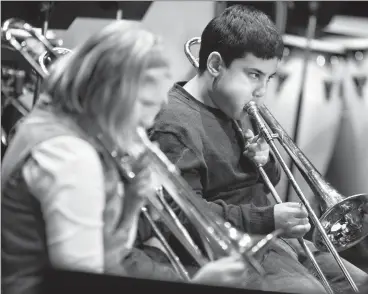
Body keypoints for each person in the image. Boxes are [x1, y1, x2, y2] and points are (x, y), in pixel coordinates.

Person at [1, 21, 255, 294]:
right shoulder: (71, 156)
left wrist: (131, 202)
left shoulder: (56, 121)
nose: (149, 121)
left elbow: (108, 253)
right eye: (145, 104)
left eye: (157, 106)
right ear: (108, 93)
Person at [150, 4, 368, 294]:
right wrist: (267, 219)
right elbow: (183, 215)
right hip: (226, 251)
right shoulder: (175, 125)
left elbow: (259, 184)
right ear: (215, 65)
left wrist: (264, 163)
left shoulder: (229, 104)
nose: (262, 91)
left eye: (268, 78)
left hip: (270, 240)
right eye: (254, 75)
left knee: (361, 283)